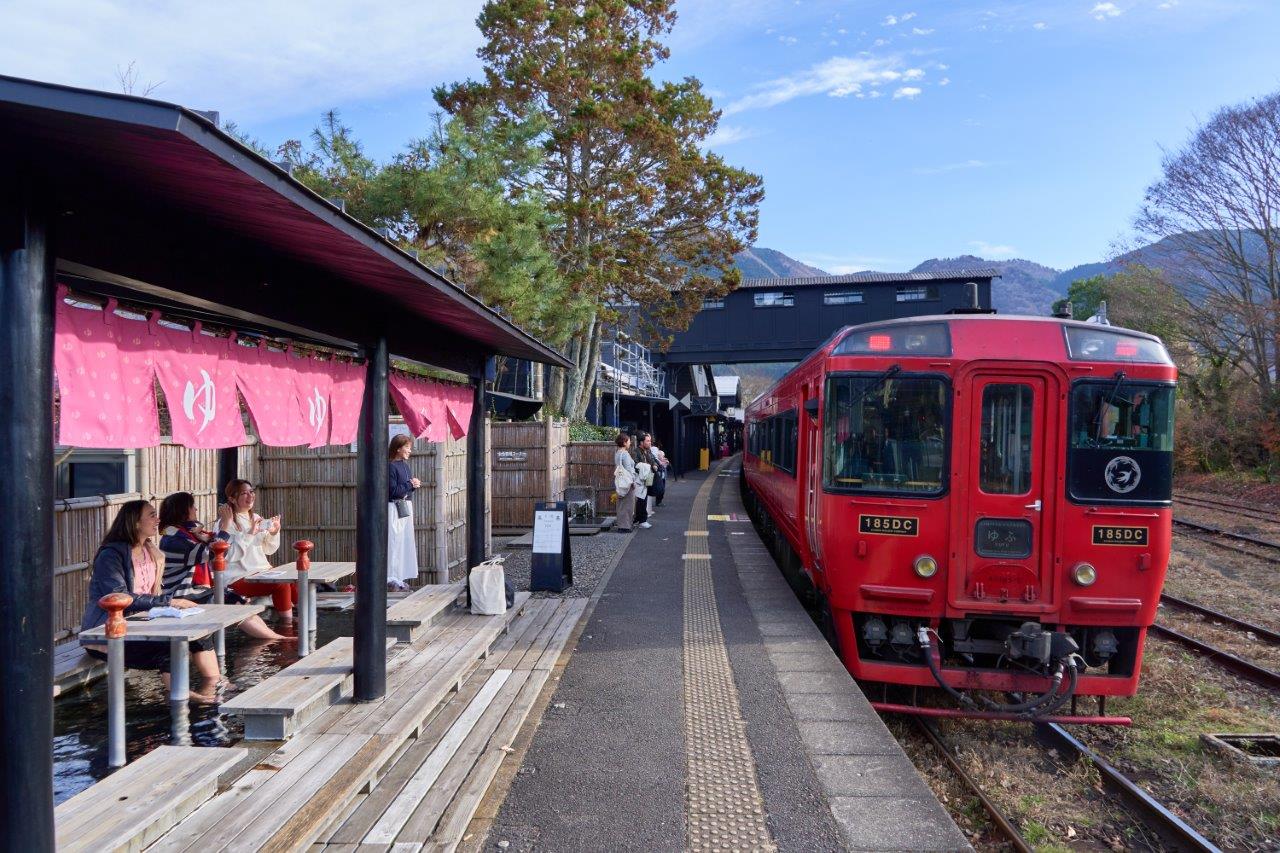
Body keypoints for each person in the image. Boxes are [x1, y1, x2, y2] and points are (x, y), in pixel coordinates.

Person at [81, 499, 222, 700]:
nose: (158, 519)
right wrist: (169, 601)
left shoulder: (150, 551)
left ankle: (214, 684)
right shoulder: (111, 556)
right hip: (108, 632)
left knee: (199, 633)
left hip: (143, 623)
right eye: (152, 515)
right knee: (170, 645)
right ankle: (182, 696)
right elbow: (118, 596)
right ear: (135, 522)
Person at [158, 491, 289, 641]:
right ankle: (278, 638)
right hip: (182, 596)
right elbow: (215, 552)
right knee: (232, 602)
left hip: (193, 590)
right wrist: (226, 524)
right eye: (192, 507)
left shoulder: (182, 534)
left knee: (238, 601)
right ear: (182, 511)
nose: (196, 510)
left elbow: (211, 543)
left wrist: (205, 534)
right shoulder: (175, 540)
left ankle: (277, 636)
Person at [218, 479, 293, 620]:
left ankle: (302, 623)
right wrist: (250, 533)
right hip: (237, 576)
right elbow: (229, 556)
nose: (250, 496)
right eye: (244, 494)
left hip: (262, 572)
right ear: (232, 499)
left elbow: (268, 550)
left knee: (296, 582)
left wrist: (273, 532)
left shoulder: (256, 518)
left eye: (251, 492)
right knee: (282, 585)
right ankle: (287, 626)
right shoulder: (225, 523)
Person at [387, 433, 421, 591]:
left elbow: (405, 490)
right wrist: (410, 484)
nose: (410, 451)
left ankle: (399, 577)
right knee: (394, 543)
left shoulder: (405, 466)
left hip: (404, 508)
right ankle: (391, 578)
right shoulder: (391, 466)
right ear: (398, 448)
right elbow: (392, 491)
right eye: (407, 447)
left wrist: (412, 485)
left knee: (403, 543)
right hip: (393, 509)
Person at [613, 432, 638, 532]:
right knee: (628, 504)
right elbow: (629, 469)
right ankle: (625, 526)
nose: (630, 443)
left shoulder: (617, 453)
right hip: (627, 482)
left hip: (620, 481)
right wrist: (633, 481)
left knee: (621, 504)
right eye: (628, 441)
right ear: (624, 442)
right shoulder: (625, 454)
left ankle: (621, 525)